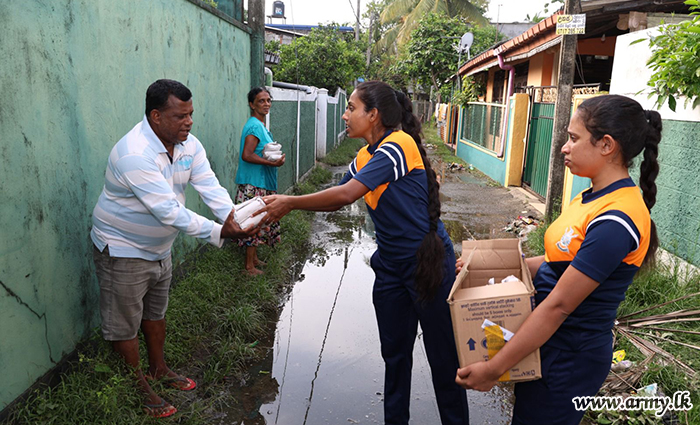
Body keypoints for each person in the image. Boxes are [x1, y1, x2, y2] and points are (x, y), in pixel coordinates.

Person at [260, 81, 469, 425]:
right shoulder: (364, 157)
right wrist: (279, 204)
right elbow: (337, 195)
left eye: (351, 108)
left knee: (444, 360)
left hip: (426, 264)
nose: (345, 115)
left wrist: (291, 202)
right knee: (395, 358)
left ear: (373, 115)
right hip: (390, 268)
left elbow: (347, 195)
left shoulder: (398, 145)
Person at [455, 95, 662, 425]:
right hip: (548, 346)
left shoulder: (616, 219)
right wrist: (488, 264)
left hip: (569, 359)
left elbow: (558, 306)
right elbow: (557, 261)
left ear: (606, 145)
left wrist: (494, 369)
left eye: (573, 138)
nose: (564, 147)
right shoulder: (590, 197)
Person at [90, 79, 259, 418]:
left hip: (159, 247)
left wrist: (235, 216)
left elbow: (209, 185)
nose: (189, 122)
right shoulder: (134, 153)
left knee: (156, 313)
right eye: (180, 116)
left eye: (190, 114)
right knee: (124, 324)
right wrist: (220, 232)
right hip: (123, 249)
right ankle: (139, 387)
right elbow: (168, 210)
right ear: (156, 116)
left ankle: (158, 369)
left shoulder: (188, 145)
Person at [234, 87, 285, 275]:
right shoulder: (255, 126)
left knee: (259, 220)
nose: (266, 104)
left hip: (261, 182)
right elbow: (247, 155)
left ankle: (254, 259)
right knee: (253, 222)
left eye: (268, 100)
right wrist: (272, 163)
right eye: (261, 101)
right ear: (252, 104)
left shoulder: (260, 126)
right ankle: (249, 266)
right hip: (254, 184)